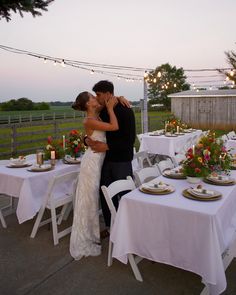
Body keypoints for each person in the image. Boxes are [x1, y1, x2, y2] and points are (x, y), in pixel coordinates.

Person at [70, 91, 118, 260]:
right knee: (89, 200)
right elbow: (113, 127)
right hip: (91, 164)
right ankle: (87, 237)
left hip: (98, 161)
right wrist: (111, 109)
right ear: (88, 104)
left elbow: (109, 100)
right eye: (92, 97)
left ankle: (93, 234)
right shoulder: (90, 120)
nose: (95, 98)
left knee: (92, 199)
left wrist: (118, 100)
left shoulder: (96, 115)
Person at [88, 80, 136, 233]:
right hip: (106, 159)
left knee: (125, 194)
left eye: (99, 94)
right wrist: (86, 140)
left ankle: (129, 228)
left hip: (122, 159)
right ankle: (111, 227)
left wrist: (108, 146)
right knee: (106, 193)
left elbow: (129, 139)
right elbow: (94, 130)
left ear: (108, 94)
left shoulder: (125, 109)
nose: (97, 97)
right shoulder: (102, 111)